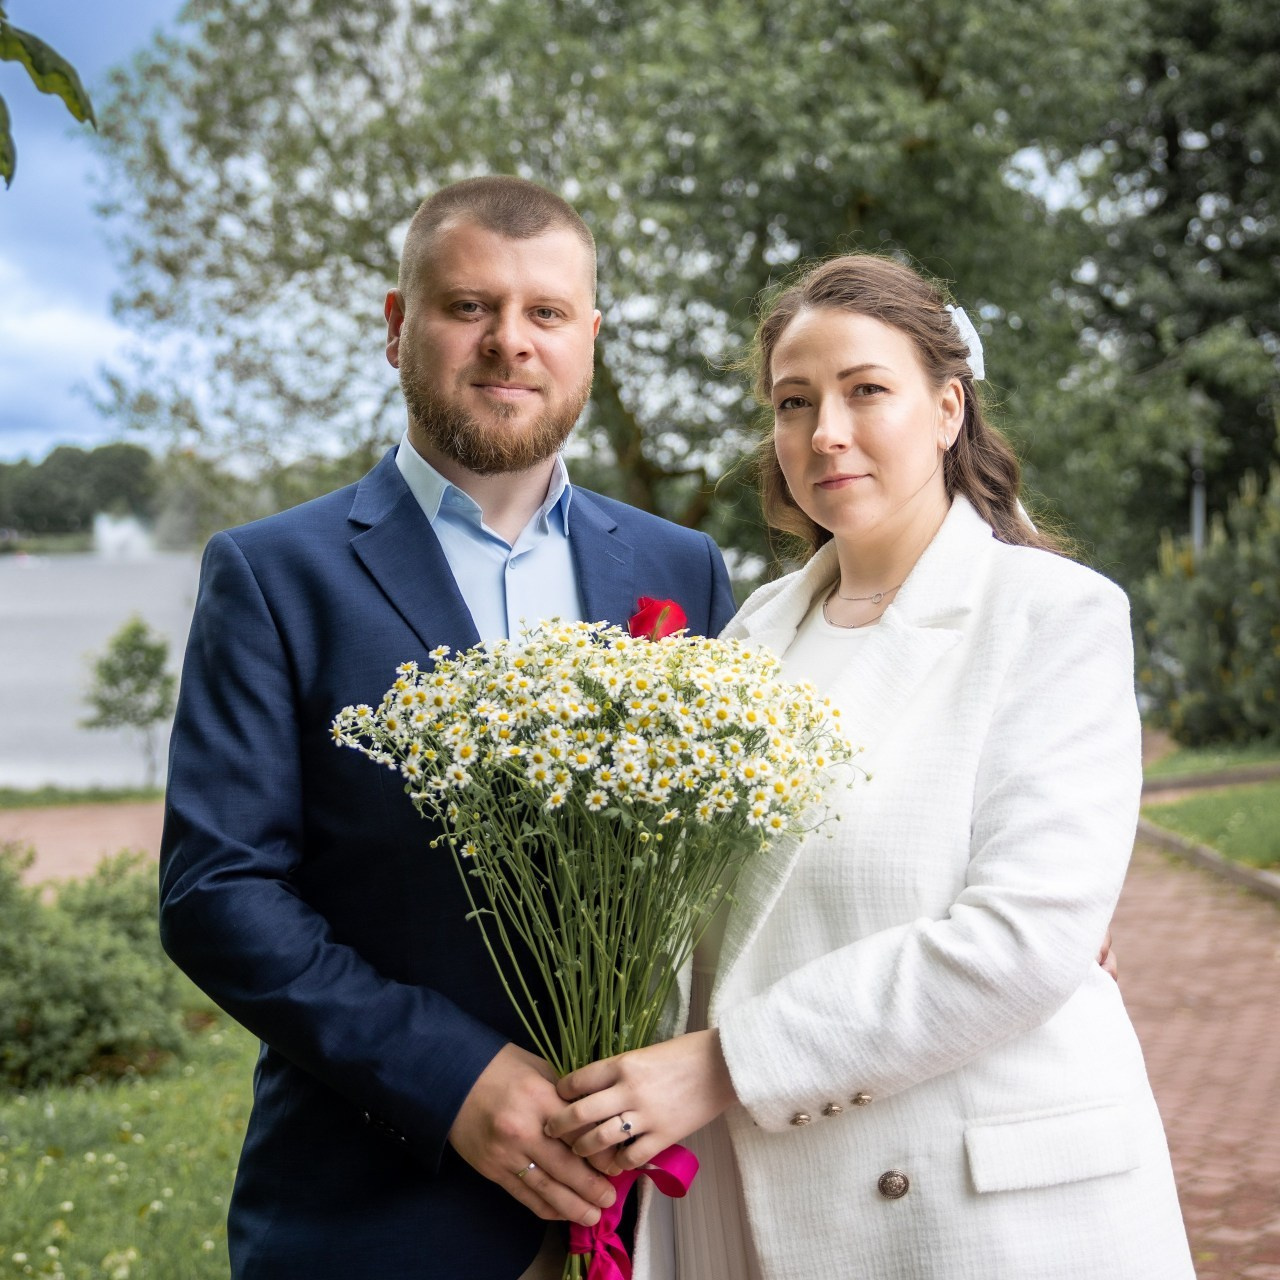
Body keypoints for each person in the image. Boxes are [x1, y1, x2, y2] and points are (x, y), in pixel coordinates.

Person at [545, 254, 1196, 1279]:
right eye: (793, 402)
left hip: (972, 1213)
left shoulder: (1053, 615)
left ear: (945, 407)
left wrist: (719, 1065)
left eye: (864, 391)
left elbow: (1022, 938)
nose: (824, 433)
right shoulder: (746, 638)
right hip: (756, 1204)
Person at [157, 175, 737, 1280]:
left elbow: (745, 844)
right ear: (397, 326)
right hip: (379, 1213)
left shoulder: (682, 570)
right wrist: (453, 1076)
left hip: (660, 1215)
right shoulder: (275, 574)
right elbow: (216, 892)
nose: (508, 342)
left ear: (591, 339)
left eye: (546, 313)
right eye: (469, 306)